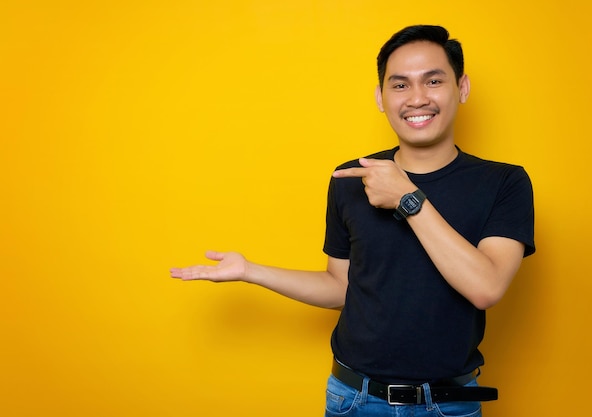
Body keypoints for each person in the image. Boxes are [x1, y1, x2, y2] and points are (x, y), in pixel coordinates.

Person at [170, 24, 535, 417]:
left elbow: (486, 287)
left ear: (461, 88)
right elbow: (340, 287)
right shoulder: (351, 179)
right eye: (400, 85)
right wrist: (251, 270)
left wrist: (407, 199)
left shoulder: (505, 182)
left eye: (433, 81)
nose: (417, 98)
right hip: (355, 399)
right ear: (380, 97)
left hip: (449, 404)